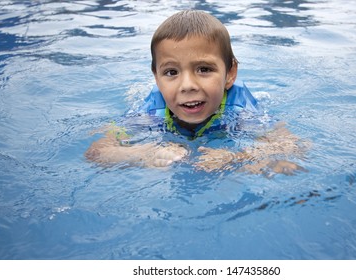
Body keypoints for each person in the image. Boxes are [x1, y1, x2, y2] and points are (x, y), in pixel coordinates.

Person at [85, 10, 308, 175]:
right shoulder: (153, 107)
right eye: (171, 72)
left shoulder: (240, 107)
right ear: (156, 77)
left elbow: (292, 147)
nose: (187, 85)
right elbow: (98, 152)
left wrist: (236, 159)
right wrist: (146, 154)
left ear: (230, 73)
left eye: (204, 69)